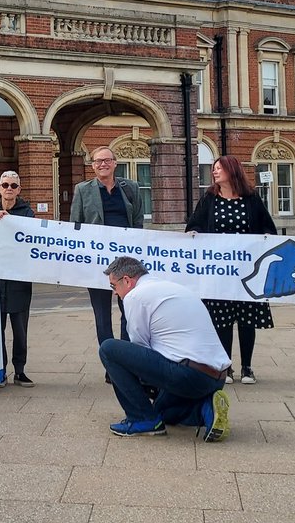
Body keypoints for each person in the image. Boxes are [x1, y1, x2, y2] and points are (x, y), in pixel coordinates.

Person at [98, 256, 231, 441]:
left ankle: (142, 419)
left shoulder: (135, 296)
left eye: (114, 286)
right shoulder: (169, 287)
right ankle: (206, 408)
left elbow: (139, 350)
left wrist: (137, 387)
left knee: (109, 349)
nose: (114, 293)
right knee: (161, 411)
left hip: (188, 374)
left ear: (127, 280)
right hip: (216, 377)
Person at [184, 154, 277, 384]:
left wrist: (265, 236)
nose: (214, 172)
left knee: (246, 319)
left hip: (247, 270)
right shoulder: (209, 198)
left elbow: (268, 226)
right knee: (221, 319)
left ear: (231, 170)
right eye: (214, 168)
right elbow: (194, 223)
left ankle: (247, 367)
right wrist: (193, 233)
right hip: (219, 271)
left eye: (218, 168)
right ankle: (226, 366)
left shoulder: (251, 198)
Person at [71, 146, 144, 367]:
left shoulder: (130, 187)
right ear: (92, 165)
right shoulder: (83, 190)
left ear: (114, 163)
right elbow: (75, 226)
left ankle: (125, 359)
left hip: (126, 263)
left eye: (107, 160)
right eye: (97, 161)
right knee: (102, 316)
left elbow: (138, 221)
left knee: (129, 312)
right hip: (96, 263)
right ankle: (111, 364)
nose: (102, 164)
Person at [0, 170, 34, 388]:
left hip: (19, 280)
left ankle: (20, 370)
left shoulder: (28, 213)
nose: (9, 189)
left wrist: (10, 221)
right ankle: (0, 370)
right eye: (6, 185)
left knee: (20, 330)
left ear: (19, 190)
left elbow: (29, 240)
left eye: (14, 185)